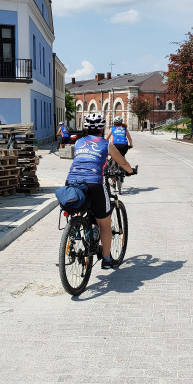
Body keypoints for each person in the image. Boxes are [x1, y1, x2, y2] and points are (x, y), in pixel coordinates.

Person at [66, 113, 134, 269]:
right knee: (104, 222)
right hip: (95, 183)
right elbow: (122, 162)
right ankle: (107, 259)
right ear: (102, 129)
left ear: (85, 128)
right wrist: (130, 171)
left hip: (72, 181)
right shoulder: (106, 144)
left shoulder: (78, 143)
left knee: (78, 209)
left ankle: (75, 233)